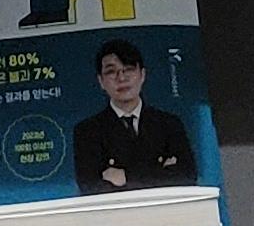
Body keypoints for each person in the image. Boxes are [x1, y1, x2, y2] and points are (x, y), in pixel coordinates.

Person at [69, 41, 197, 194]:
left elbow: (186, 175)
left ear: (142, 75)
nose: (121, 78)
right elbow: (91, 187)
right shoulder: (87, 131)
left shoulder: (169, 124)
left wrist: (127, 176)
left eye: (128, 69)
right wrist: (160, 172)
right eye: (111, 71)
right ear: (101, 81)